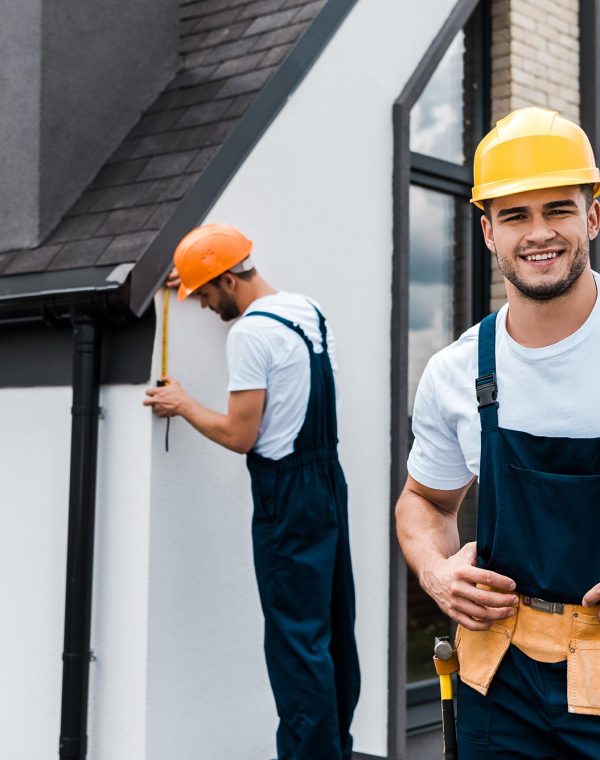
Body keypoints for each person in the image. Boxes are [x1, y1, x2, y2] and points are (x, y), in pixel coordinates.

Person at [396, 106, 600, 758]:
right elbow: (424, 501)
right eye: (515, 215)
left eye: (557, 210)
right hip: (498, 679)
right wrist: (433, 570)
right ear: (487, 232)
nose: (538, 233)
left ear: (593, 216)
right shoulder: (457, 372)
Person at [144, 223, 360, 760]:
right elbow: (276, 359)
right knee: (332, 630)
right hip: (328, 483)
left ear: (226, 280)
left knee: (295, 643)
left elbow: (241, 436)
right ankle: (334, 748)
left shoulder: (248, 335)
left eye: (205, 294)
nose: (200, 306)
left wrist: (183, 404)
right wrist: (195, 275)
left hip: (285, 494)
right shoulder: (305, 310)